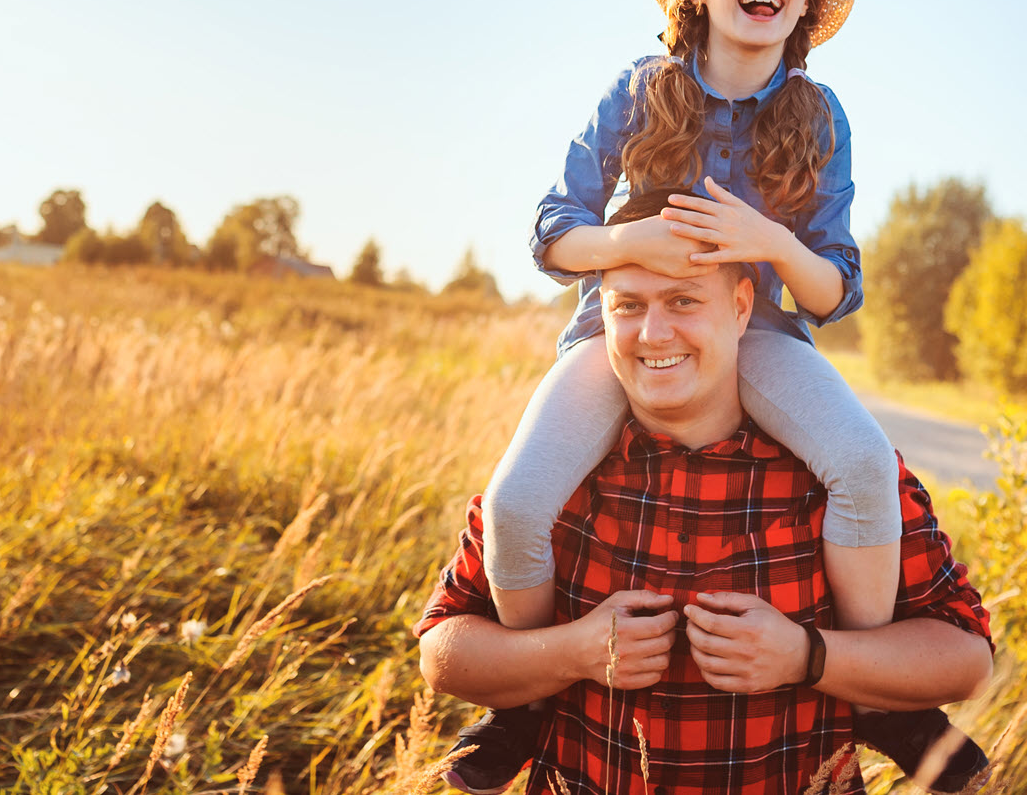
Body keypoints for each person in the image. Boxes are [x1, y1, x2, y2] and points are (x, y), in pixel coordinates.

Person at [461, 0, 981, 787]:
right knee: (514, 505)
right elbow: (554, 231)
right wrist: (635, 243)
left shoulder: (818, 117)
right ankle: (529, 700)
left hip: (763, 331)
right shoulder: (641, 89)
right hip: (618, 329)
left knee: (860, 466)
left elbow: (833, 289)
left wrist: (768, 241)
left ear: (807, 0)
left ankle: (877, 699)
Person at [417, 193, 995, 794]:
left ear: (743, 307)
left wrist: (807, 657)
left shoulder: (843, 473)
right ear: (601, 314)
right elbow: (441, 655)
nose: (653, 332)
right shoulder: (552, 473)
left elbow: (966, 660)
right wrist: (572, 653)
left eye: (683, 301)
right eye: (628, 306)